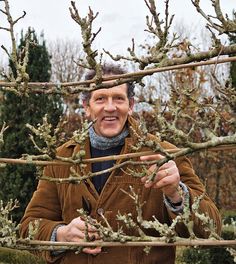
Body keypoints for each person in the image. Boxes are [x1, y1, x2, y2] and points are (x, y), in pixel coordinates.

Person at [20, 63, 221, 264]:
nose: (110, 107)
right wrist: (62, 234)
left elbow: (212, 230)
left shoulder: (165, 155)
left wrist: (177, 194)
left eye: (118, 98)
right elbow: (28, 227)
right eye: (100, 99)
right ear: (86, 107)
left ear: (131, 105)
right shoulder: (61, 159)